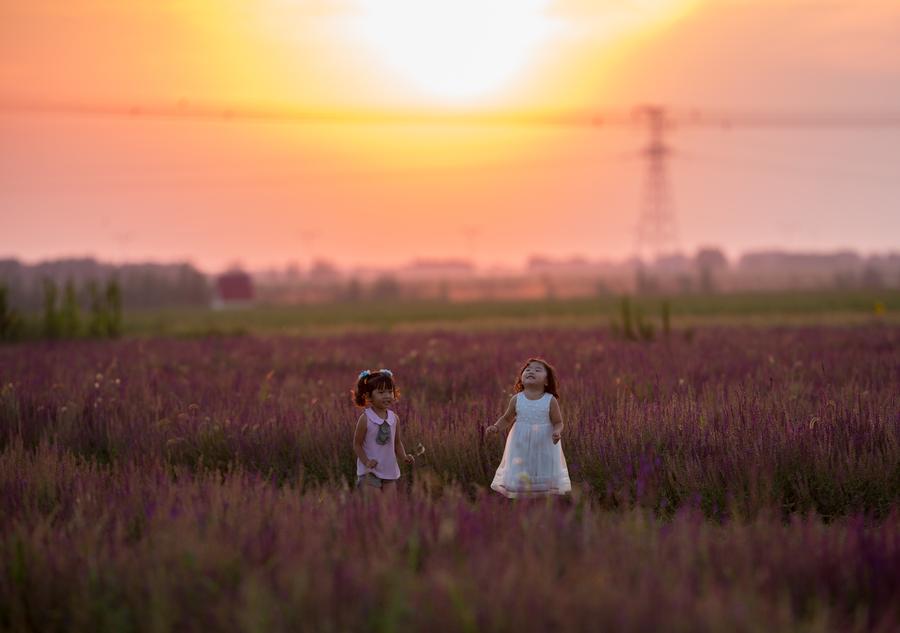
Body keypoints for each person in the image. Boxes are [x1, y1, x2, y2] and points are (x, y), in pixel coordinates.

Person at [485, 358, 572, 498]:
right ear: (521, 378)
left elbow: (558, 422)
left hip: (544, 443)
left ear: (546, 381)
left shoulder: (550, 400)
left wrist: (557, 432)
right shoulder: (517, 399)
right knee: (521, 470)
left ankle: (543, 501)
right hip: (520, 443)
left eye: (538, 370)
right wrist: (496, 427)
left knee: (542, 470)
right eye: (528, 369)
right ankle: (523, 501)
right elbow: (507, 418)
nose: (531, 371)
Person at [352, 368, 414, 494]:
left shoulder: (394, 418)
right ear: (369, 396)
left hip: (389, 471)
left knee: (389, 508)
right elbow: (357, 444)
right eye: (381, 392)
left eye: (390, 392)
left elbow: (397, 443)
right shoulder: (366, 419)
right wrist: (366, 462)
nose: (387, 396)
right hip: (370, 472)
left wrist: (404, 456)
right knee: (375, 507)